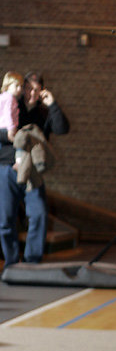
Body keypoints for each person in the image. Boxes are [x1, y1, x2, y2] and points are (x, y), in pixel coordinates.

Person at [0, 71, 69, 267]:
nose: (31, 93)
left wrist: (53, 104)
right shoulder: (12, 105)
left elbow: (62, 128)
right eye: (29, 88)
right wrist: (11, 141)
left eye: (36, 91)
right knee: (5, 220)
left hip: (32, 174)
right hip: (7, 168)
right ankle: (12, 262)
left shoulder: (43, 113)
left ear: (41, 92)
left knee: (38, 214)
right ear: (23, 89)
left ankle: (31, 262)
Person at [0, 71, 24, 143]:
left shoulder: (3, 96)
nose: (19, 89)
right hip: (6, 128)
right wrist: (11, 128)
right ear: (8, 86)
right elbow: (8, 114)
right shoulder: (10, 98)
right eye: (16, 86)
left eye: (21, 86)